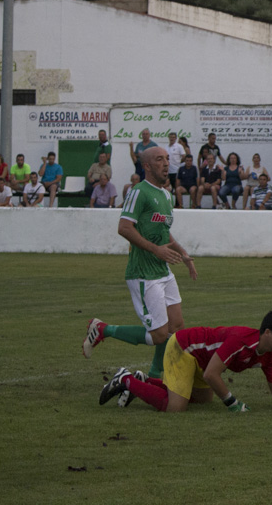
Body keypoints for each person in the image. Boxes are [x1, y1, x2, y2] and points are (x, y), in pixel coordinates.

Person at [82, 146, 198, 393]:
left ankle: (155, 376)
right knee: (159, 335)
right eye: (159, 159)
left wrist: (183, 253)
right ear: (146, 166)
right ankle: (103, 329)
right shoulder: (139, 192)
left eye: (167, 159)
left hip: (163, 271)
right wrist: (156, 250)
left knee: (175, 327)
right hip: (143, 274)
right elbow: (124, 228)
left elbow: (164, 232)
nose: (166, 163)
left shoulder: (166, 196)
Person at [99, 310, 272, 413]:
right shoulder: (240, 341)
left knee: (203, 400)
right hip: (183, 347)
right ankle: (125, 379)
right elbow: (211, 375)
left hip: (202, 359)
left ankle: (144, 380)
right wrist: (233, 403)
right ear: (267, 332)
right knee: (176, 408)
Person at [165, 132, 186, 197]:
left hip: (176, 170)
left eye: (173, 137)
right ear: (168, 138)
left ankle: (177, 204)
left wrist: (179, 162)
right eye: (171, 137)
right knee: (168, 188)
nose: (172, 139)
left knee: (176, 188)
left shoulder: (179, 146)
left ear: (176, 138)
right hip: (168, 171)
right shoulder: (166, 147)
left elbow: (184, 156)